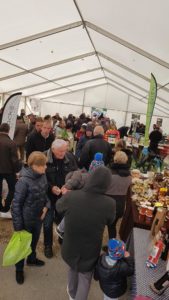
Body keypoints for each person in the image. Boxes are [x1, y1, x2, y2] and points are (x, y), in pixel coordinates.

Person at [56, 166, 116, 300]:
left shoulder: (72, 196)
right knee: (85, 277)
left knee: (72, 267)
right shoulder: (110, 204)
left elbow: (59, 207)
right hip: (90, 249)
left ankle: (71, 294)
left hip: (70, 245)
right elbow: (110, 221)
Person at [12, 152, 50, 284]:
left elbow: (44, 194)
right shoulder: (23, 181)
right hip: (25, 220)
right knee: (22, 247)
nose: (45, 167)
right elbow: (16, 205)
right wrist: (18, 227)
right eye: (42, 165)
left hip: (38, 218)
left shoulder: (42, 176)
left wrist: (46, 206)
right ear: (33, 165)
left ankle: (32, 259)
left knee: (33, 242)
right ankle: (19, 269)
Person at [56, 152, 105, 238]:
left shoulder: (81, 175)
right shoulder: (100, 179)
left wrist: (67, 187)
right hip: (85, 210)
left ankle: (62, 231)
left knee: (69, 216)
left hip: (76, 204)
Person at [44, 139, 78, 258]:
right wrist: (51, 187)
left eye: (64, 151)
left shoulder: (70, 157)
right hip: (47, 197)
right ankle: (48, 246)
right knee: (47, 224)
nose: (63, 154)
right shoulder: (43, 157)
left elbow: (76, 174)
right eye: (60, 152)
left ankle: (61, 238)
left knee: (63, 220)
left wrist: (69, 186)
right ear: (52, 150)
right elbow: (40, 178)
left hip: (64, 196)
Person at [106, 151, 131, 238]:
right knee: (112, 226)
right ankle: (112, 248)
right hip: (120, 205)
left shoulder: (109, 172)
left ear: (115, 159)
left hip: (107, 203)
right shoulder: (129, 176)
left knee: (100, 226)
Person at [0, 123, 22, 212]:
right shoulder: (12, 143)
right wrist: (18, 169)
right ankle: (6, 206)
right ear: (8, 131)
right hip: (9, 171)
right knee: (13, 189)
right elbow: (14, 160)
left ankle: (1, 207)